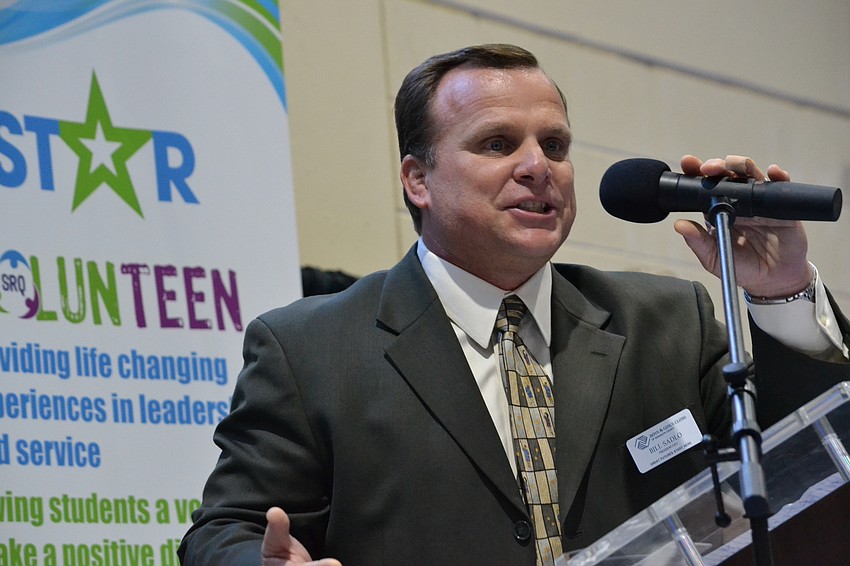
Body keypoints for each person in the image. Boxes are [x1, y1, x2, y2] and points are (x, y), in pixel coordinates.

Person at [178, 44, 849, 565]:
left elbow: (812, 465)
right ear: (418, 180)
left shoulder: (669, 321)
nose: (539, 166)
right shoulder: (310, 349)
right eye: (498, 144)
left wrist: (778, 287)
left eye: (554, 145)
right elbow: (225, 531)